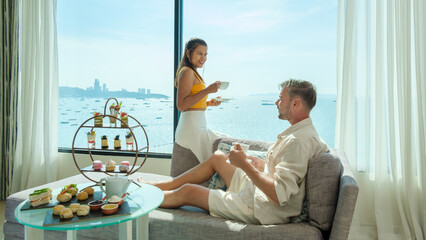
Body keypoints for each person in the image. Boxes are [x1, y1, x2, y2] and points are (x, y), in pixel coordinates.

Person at [146, 79, 329, 224]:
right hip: (256, 190)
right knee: (218, 157)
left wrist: (244, 165)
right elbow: (285, 172)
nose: (276, 102)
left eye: (281, 98)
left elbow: (278, 195)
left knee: (188, 192)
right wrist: (261, 164)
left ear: (296, 104)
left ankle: (144, 198)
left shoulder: (299, 141)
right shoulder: (300, 133)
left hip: (260, 207)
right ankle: (165, 185)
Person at [173, 37, 225, 163]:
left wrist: (208, 103)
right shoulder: (187, 72)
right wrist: (207, 90)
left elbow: (192, 102)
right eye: (199, 53)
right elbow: (181, 105)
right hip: (191, 127)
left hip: (197, 126)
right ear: (188, 53)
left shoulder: (193, 73)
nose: (203, 58)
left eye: (205, 54)